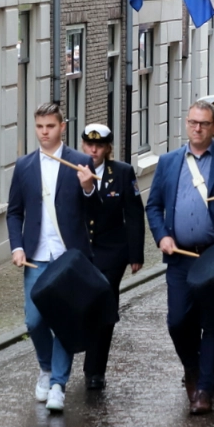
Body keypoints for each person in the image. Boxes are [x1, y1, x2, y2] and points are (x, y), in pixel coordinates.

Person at [145, 100, 214, 415]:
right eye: (193, 122)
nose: (198, 128)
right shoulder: (169, 162)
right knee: (178, 321)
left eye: (204, 124)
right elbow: (153, 206)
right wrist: (162, 236)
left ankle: (205, 388)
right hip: (180, 257)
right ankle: (192, 369)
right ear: (186, 123)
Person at [6, 102, 101, 413]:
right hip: (36, 255)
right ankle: (46, 369)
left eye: (50, 126)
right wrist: (17, 247)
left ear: (63, 127)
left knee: (64, 322)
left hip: (69, 257)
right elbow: (14, 212)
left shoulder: (80, 161)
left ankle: (59, 383)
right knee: (34, 321)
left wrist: (88, 189)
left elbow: (96, 211)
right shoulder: (24, 166)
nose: (44, 132)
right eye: (39, 127)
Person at [79, 124, 145, 390]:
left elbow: (134, 213)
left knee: (104, 307)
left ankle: (95, 369)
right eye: (89, 145)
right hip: (81, 251)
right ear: (83, 145)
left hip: (111, 252)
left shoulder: (122, 172)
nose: (94, 150)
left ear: (107, 148)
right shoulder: (72, 170)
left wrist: (135, 253)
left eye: (99, 146)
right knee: (82, 308)